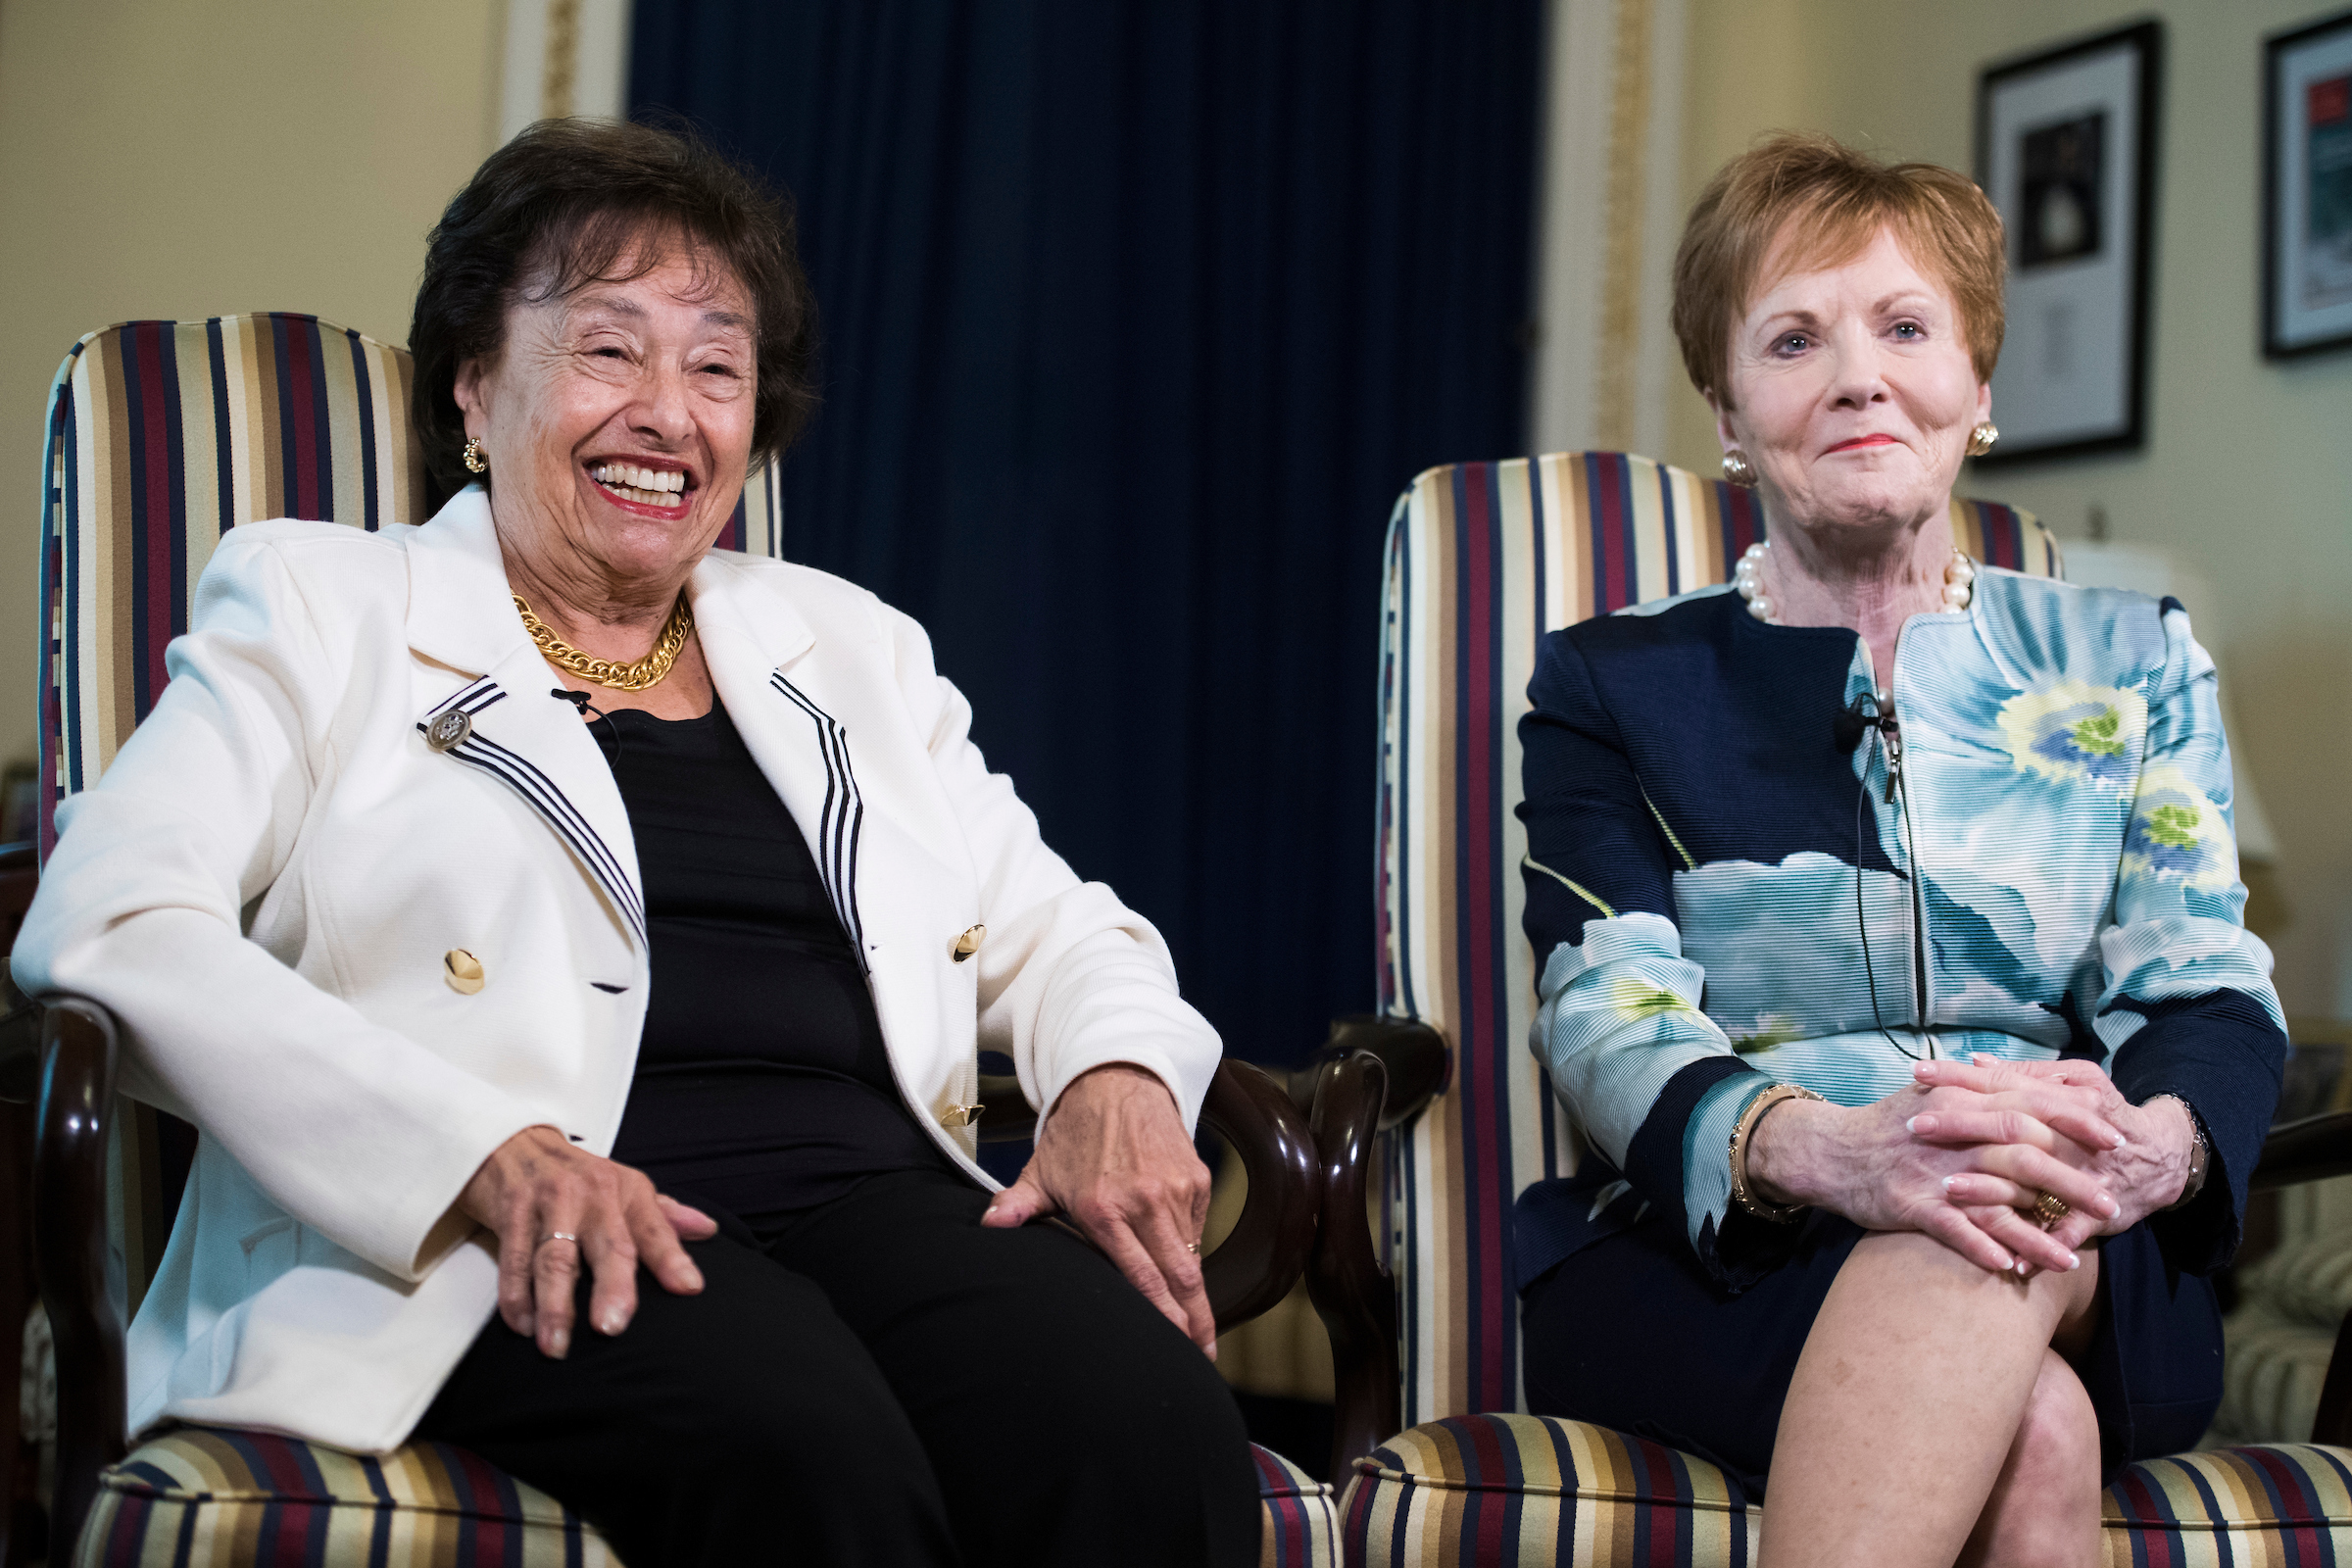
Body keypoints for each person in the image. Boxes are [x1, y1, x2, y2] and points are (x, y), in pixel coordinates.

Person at [14, 119, 1258, 1568]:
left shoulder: (847, 644)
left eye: (718, 366)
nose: (670, 414)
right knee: (802, 1447)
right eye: (610, 350)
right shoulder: (321, 603)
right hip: (511, 1233)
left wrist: (1115, 1071)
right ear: (476, 386)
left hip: (874, 1205)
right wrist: (480, 1156)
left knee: (1145, 1426)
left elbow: (1062, 928)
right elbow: (105, 924)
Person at [1511, 131, 2283, 1568]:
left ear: (1975, 387)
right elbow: (1601, 1008)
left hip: (2085, 1237)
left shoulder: (2132, 663)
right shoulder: (1611, 682)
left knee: (1995, 1189)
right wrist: (1841, 1153)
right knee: (2034, 1426)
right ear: (1730, 407)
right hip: (1712, 1261)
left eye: (1906, 327)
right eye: (1795, 337)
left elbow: (2205, 989)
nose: (1860, 375)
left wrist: (2149, 1154)